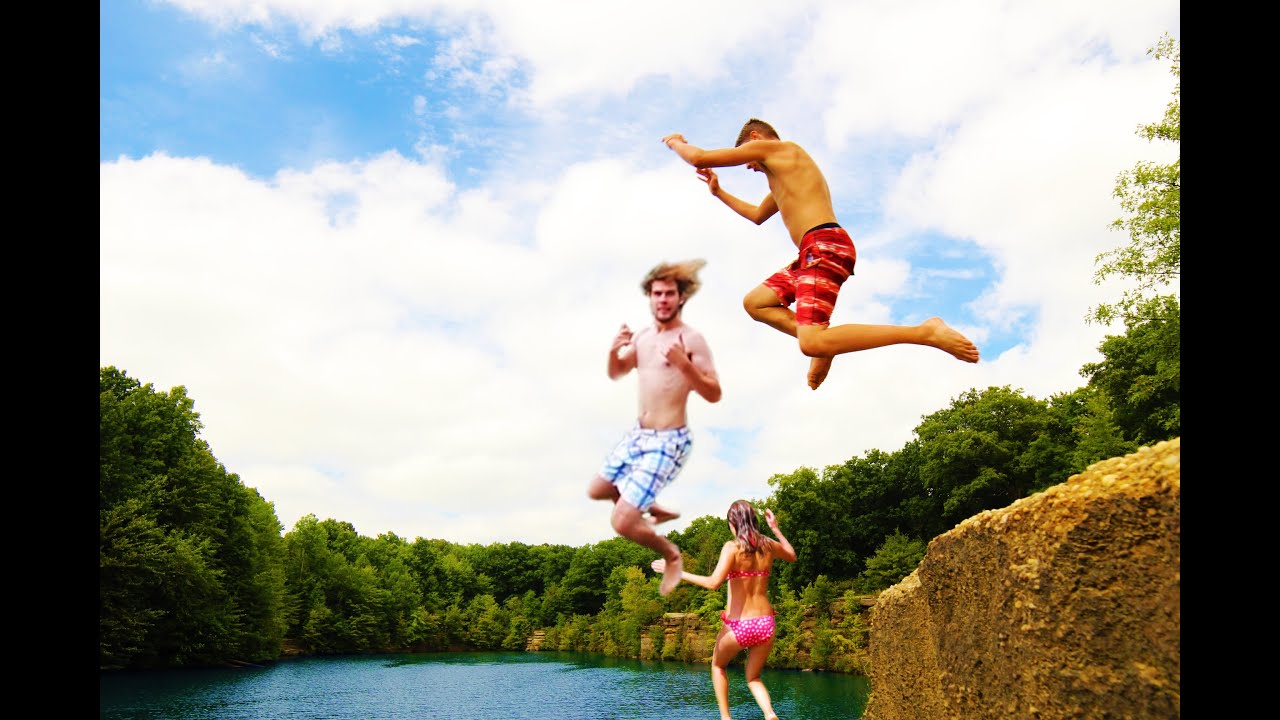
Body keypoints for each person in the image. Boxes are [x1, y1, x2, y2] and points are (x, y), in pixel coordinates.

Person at [662, 118, 980, 391]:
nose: (751, 167)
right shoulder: (785, 175)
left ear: (755, 139)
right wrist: (719, 193)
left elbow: (700, 157)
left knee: (811, 342)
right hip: (811, 253)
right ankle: (824, 345)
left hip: (824, 245)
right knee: (756, 303)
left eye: (751, 161)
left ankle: (924, 332)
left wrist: (676, 142)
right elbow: (758, 215)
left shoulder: (779, 149)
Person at [588, 259, 722, 596]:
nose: (662, 299)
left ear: (681, 298)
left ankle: (671, 554)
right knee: (597, 489)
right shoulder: (645, 337)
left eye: (669, 294)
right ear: (649, 297)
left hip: (668, 441)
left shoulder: (692, 339)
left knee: (621, 521)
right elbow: (618, 371)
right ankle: (650, 505)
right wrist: (612, 349)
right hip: (639, 434)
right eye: (656, 293)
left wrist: (683, 365)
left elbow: (714, 393)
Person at [652, 499, 797, 720]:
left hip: (739, 626)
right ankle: (769, 714)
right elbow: (791, 555)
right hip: (766, 624)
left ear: (733, 523)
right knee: (753, 678)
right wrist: (775, 528)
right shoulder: (768, 544)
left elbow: (713, 583)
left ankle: (726, 718)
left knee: (718, 667)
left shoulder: (732, 547)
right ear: (754, 522)